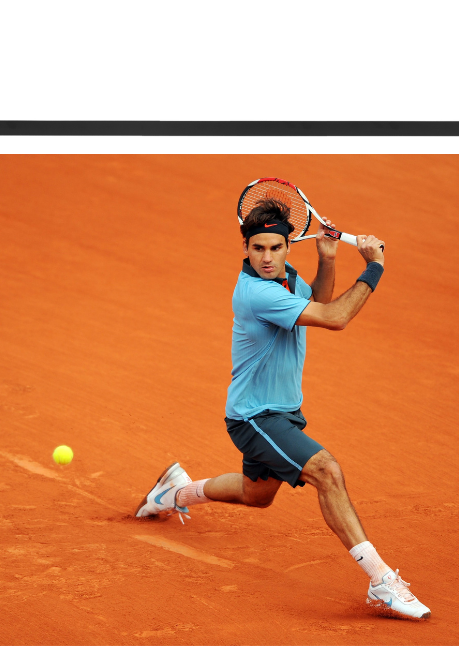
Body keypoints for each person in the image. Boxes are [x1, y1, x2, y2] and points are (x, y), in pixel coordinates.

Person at [135, 197, 430, 620]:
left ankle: (173, 492)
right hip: (256, 418)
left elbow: (318, 302)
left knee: (256, 496)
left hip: (280, 413)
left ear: (288, 247)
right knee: (326, 471)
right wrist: (374, 267)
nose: (267, 257)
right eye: (258, 249)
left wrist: (327, 259)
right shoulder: (257, 293)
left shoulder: (287, 279)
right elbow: (335, 317)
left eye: (275, 248)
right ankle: (382, 580)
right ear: (245, 249)